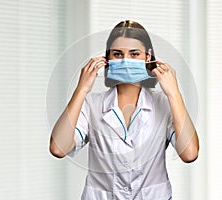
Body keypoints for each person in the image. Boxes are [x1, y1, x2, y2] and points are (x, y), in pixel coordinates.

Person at [49, 20, 199, 200]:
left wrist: (174, 93)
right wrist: (81, 89)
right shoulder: (91, 104)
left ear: (148, 57)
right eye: (118, 54)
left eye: (134, 54)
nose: (126, 61)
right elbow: (58, 148)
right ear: (107, 59)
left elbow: (189, 154)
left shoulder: (164, 104)